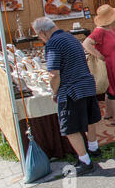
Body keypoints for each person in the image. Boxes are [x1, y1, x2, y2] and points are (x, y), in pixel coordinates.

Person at [32, 17, 101, 176]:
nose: (39, 38)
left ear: (42, 32)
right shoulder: (70, 36)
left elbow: (54, 74)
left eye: (38, 35)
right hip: (86, 83)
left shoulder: (53, 43)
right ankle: (93, 149)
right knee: (89, 119)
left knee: (70, 128)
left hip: (71, 89)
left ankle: (85, 161)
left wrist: (54, 92)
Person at [83, 4, 115, 127]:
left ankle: (109, 113)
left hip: (114, 64)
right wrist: (99, 56)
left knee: (112, 90)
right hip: (109, 65)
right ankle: (114, 117)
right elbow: (86, 43)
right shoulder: (100, 31)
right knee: (112, 91)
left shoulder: (108, 28)